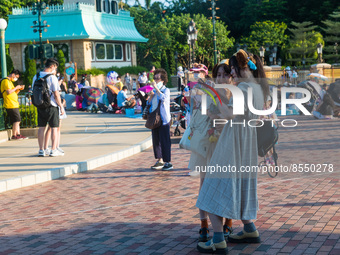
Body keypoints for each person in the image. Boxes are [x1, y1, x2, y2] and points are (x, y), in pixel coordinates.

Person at [196, 50, 268, 253]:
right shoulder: (258, 89)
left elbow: (228, 114)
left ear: (243, 68)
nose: (232, 73)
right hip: (247, 143)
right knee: (242, 186)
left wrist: (214, 96)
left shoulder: (243, 88)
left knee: (211, 188)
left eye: (234, 69)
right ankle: (249, 229)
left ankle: (218, 239)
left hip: (233, 141)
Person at [32, 58, 65, 157]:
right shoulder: (52, 77)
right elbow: (56, 94)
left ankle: (41, 150)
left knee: (41, 128)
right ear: (52, 66)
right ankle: (53, 149)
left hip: (40, 105)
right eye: (55, 67)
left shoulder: (36, 76)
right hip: (52, 106)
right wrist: (61, 106)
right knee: (54, 128)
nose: (55, 69)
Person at [147, 68, 172, 171]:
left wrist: (156, 90)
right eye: (155, 78)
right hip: (155, 119)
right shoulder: (153, 91)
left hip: (164, 119)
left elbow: (164, 99)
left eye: (157, 78)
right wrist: (150, 97)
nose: (155, 80)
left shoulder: (166, 90)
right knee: (156, 140)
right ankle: (159, 160)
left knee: (165, 140)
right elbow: (149, 104)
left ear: (163, 80)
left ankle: (168, 162)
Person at [1, 70, 27, 140]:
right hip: (10, 104)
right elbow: (8, 92)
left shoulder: (10, 82)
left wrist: (19, 89)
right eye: (16, 77)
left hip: (14, 104)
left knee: (17, 120)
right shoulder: (6, 81)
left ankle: (18, 134)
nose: (16, 79)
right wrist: (16, 87)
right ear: (13, 74)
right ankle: (14, 135)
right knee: (17, 120)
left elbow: (13, 93)